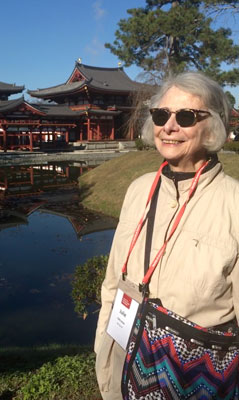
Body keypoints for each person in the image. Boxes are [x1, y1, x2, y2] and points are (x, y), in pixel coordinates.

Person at [94, 71, 239, 400]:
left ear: (213, 125)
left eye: (186, 117)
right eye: (161, 115)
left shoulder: (234, 204)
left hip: (196, 377)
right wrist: (103, 344)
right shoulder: (139, 189)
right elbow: (113, 281)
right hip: (124, 357)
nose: (169, 127)